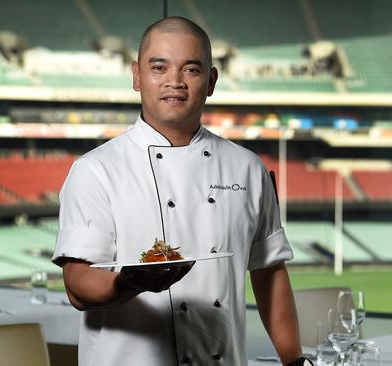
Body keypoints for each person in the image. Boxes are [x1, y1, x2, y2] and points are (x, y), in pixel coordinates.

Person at [53, 16, 311, 366]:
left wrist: (294, 361)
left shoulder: (247, 168)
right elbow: (77, 284)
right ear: (136, 76)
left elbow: (269, 272)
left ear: (211, 81)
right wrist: (129, 283)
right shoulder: (96, 170)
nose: (174, 82)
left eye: (191, 69)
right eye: (159, 67)